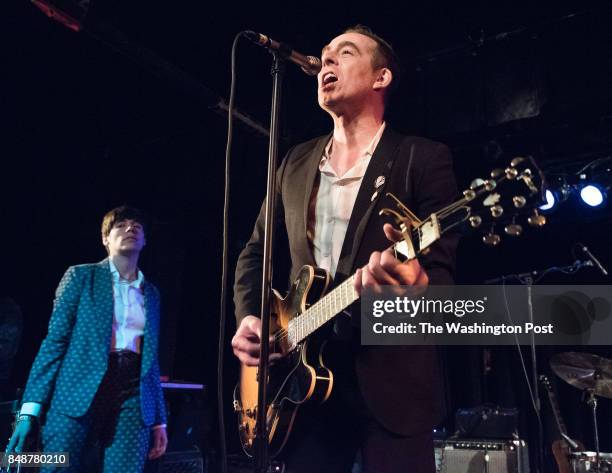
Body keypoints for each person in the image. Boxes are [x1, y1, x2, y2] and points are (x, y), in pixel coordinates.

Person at [232, 25, 459, 472]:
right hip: (299, 392)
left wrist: (417, 288)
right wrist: (251, 317)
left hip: (392, 388)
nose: (326, 62)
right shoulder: (293, 162)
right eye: (324, 54)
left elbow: (445, 282)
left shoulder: (423, 158)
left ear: (381, 78)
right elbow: (255, 253)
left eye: (344, 52)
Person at [6, 205, 167, 472]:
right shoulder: (81, 276)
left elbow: (151, 359)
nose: (130, 228)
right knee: (58, 466)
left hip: (132, 394)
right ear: (105, 238)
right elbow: (55, 342)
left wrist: (159, 419)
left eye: (137, 226)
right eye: (121, 225)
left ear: (145, 241)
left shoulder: (151, 293)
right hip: (76, 390)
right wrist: (29, 410)